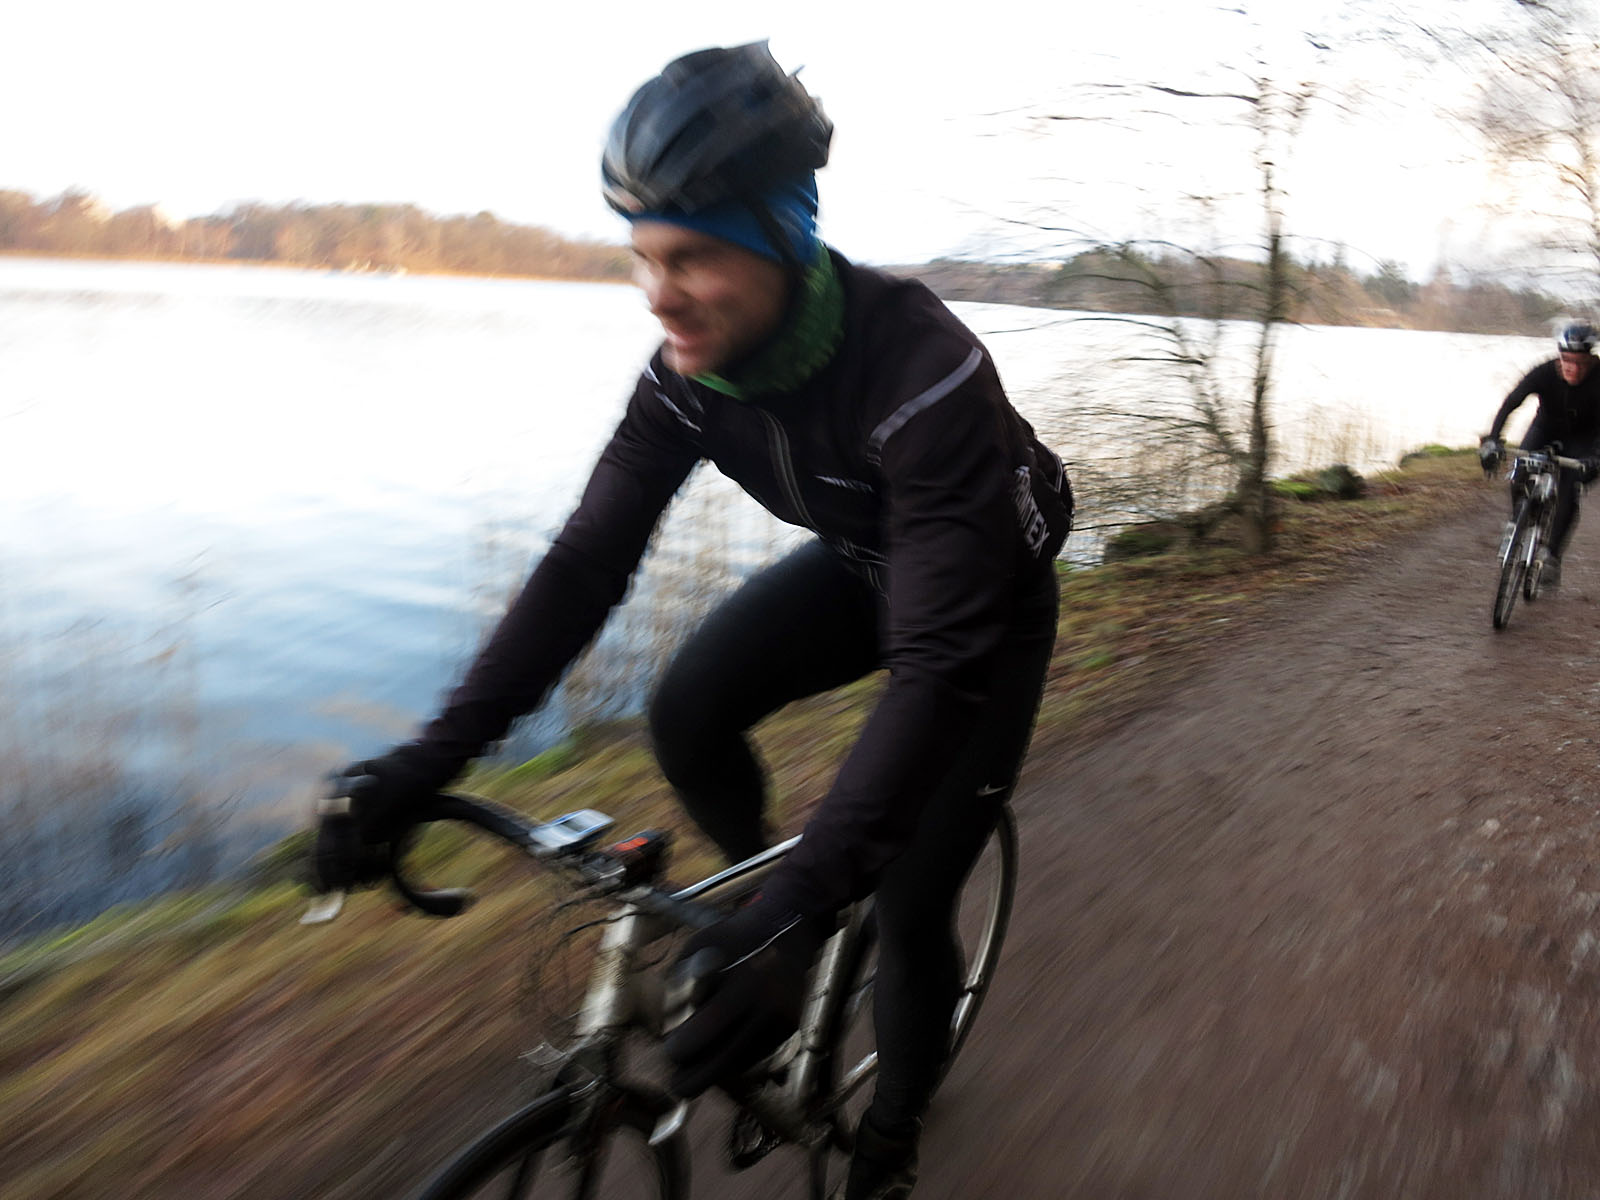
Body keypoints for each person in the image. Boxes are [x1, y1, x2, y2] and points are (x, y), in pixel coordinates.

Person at [313, 41, 1071, 1200]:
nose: (659, 294)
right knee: (686, 712)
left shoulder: (924, 376)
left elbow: (935, 668)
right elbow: (583, 567)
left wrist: (806, 907)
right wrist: (430, 758)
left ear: (785, 237)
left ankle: (888, 1137)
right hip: (865, 565)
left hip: (983, 620)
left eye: (694, 256)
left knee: (913, 899)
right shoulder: (686, 375)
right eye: (642, 256)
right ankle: (765, 912)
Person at [1480, 320, 1600, 588]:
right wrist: (1492, 439)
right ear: (1560, 358)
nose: (1573, 368)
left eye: (1580, 362)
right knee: (1520, 468)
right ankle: (1518, 520)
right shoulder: (1545, 372)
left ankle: (1552, 556)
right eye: (1567, 360)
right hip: (1545, 428)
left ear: (1591, 360)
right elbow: (1512, 401)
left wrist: (1595, 458)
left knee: (1570, 487)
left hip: (1583, 439)